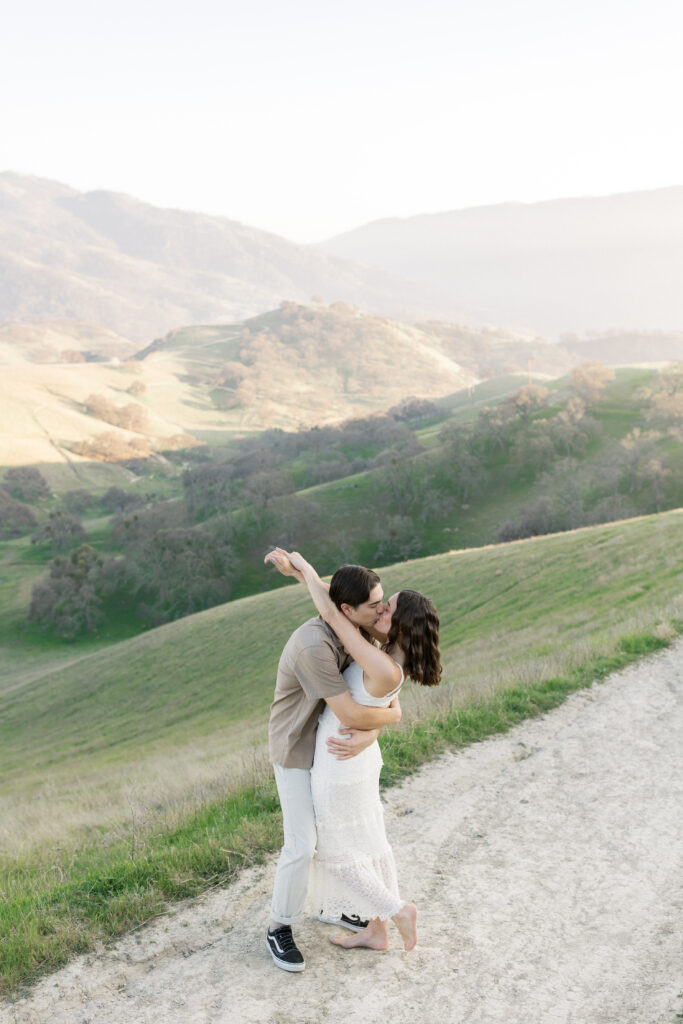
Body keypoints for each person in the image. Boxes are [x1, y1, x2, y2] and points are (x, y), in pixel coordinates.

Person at [266, 548, 441, 966]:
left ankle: (384, 913)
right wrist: (304, 570)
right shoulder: (325, 644)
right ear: (352, 610)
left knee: (341, 844)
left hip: (338, 756)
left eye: (386, 606)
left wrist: (382, 722)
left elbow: (353, 705)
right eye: (376, 606)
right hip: (300, 746)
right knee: (314, 843)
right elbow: (356, 705)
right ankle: (289, 926)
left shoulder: (367, 642)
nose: (381, 611)